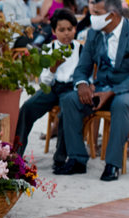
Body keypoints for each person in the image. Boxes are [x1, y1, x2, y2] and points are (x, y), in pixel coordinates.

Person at [55, 0, 129, 181]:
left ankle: (113, 164)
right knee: (69, 99)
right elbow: (82, 68)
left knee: (120, 104)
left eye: (98, 14)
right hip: (100, 88)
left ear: (113, 15)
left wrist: (112, 92)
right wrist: (82, 84)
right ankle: (76, 159)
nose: (93, 18)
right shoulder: (93, 34)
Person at [14, 9, 81, 158]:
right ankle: (16, 153)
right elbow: (44, 81)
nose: (66, 34)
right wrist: (52, 69)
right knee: (27, 107)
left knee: (65, 114)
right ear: (54, 31)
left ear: (75, 29)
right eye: (61, 30)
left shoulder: (80, 49)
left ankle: (60, 157)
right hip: (52, 87)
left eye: (70, 29)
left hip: (71, 90)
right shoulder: (49, 49)